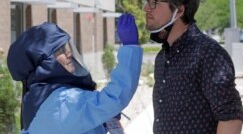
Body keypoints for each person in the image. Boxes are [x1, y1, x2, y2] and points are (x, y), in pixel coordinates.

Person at [142, 0, 243, 134]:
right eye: (147, 1)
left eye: (154, 2)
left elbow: (231, 118)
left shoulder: (208, 54)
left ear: (179, 10)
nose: (146, 8)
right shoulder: (162, 58)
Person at [7, 13, 143, 134]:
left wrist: (98, 123)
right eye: (59, 51)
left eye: (66, 47)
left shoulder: (36, 100)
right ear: (44, 63)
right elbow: (115, 97)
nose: (69, 53)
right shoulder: (63, 102)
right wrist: (130, 48)